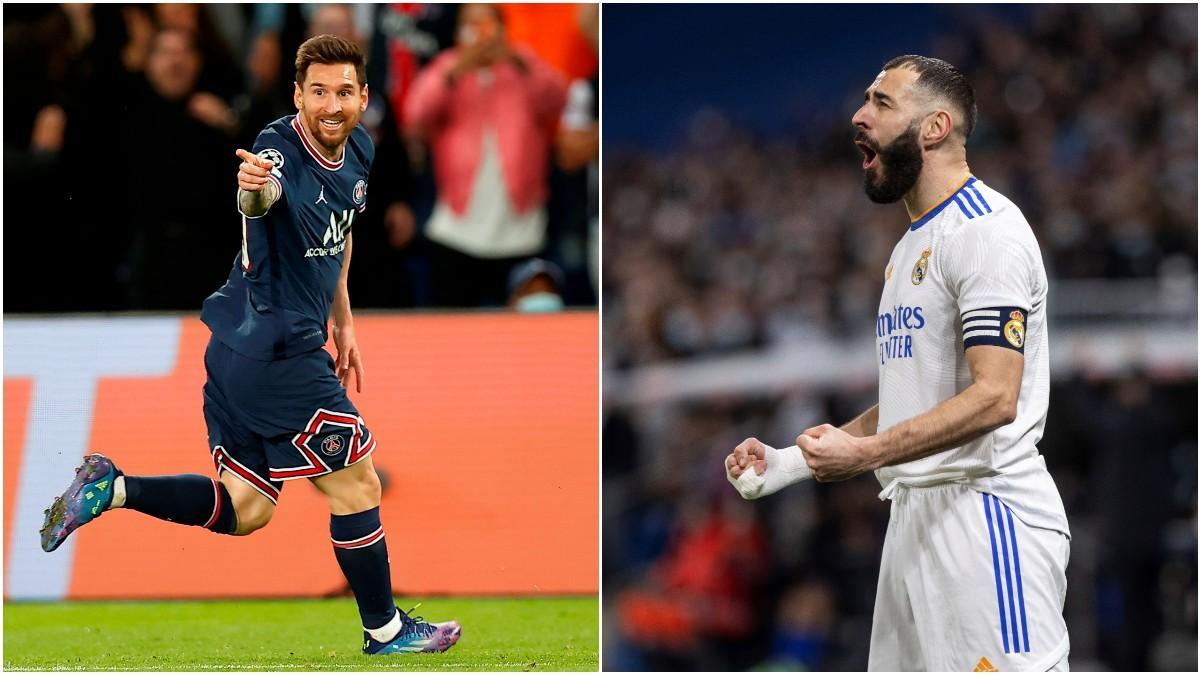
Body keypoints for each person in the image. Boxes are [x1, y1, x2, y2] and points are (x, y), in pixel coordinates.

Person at [39, 33, 461, 657]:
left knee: (246, 509)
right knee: (358, 486)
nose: (331, 105)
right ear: (298, 96)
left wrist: (343, 320)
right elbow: (257, 197)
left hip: (238, 349)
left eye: (344, 91)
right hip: (275, 354)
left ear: (363, 97)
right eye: (317, 92)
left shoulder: (363, 151)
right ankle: (387, 631)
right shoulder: (275, 147)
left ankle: (112, 486)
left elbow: (339, 240)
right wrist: (253, 188)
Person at [725, 55, 1071, 672]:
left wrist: (867, 455)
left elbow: (995, 396)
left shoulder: (987, 232)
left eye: (881, 103)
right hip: (914, 516)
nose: (859, 116)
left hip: (985, 516)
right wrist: (787, 465)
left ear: (935, 127)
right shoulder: (911, 244)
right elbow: (916, 401)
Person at [404, 3, 567, 307]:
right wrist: (459, 66)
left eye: (488, 24)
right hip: (457, 232)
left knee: (529, 341)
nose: (481, 34)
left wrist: (516, 59)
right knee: (454, 338)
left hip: (521, 232)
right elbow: (415, 113)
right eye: (472, 25)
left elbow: (559, 95)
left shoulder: (522, 66)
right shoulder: (448, 68)